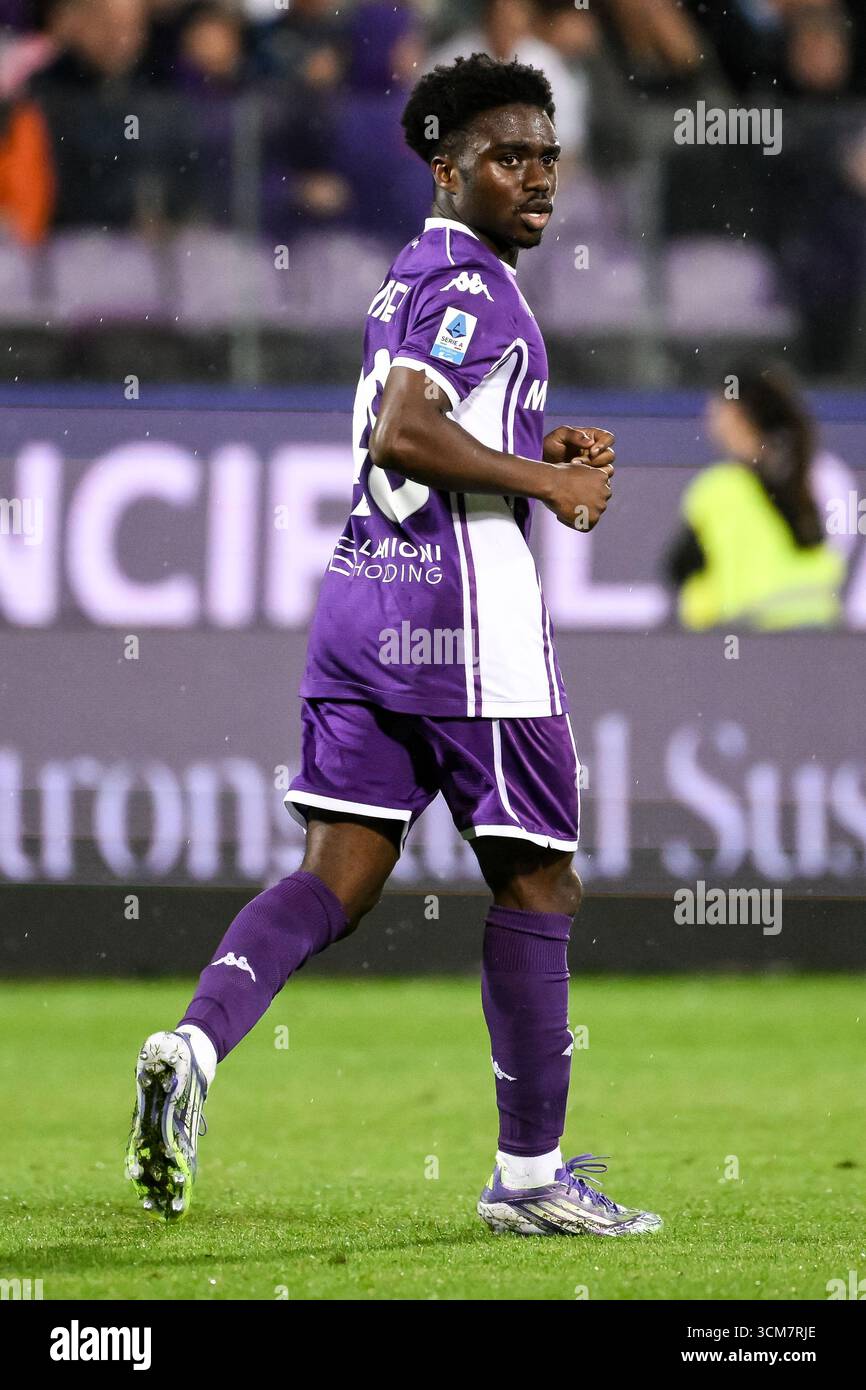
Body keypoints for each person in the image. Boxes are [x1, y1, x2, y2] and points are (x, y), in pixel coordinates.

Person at [126, 51, 662, 1238]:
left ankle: (192, 1043)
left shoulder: (406, 275)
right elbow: (403, 430)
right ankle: (527, 1183)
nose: (534, 177)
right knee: (537, 877)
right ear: (445, 168)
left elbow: (422, 415)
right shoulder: (475, 282)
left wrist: (527, 434)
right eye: (505, 157)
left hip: (363, 608)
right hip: (465, 635)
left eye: (545, 156)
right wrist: (542, 481)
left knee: (337, 878)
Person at [666, 363, 845, 630]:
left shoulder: (719, 488)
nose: (708, 417)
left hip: (748, 637)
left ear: (735, 414)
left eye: (715, 408)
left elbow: (680, 569)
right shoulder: (805, 476)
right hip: (817, 637)